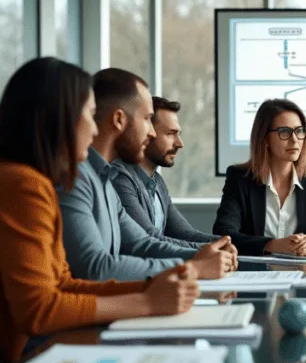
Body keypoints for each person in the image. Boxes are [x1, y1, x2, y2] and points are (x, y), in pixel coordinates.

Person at [0, 58, 202, 363]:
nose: (94, 130)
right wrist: (146, 302)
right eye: (88, 116)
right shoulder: (19, 185)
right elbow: (39, 311)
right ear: (59, 119)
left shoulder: (30, 181)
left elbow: (62, 284)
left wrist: (151, 289)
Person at [59, 68, 236, 281]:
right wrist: (193, 267)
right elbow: (95, 268)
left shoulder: (106, 178)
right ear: (118, 119)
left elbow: (142, 244)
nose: (151, 132)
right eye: (147, 118)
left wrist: (206, 256)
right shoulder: (75, 177)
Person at [213, 99, 306, 256]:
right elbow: (224, 234)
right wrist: (272, 245)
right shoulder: (240, 178)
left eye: (299, 131)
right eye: (284, 132)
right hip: (254, 273)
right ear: (265, 138)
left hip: (301, 273)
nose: (295, 139)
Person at [111, 96, 220, 248]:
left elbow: (187, 234)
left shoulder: (157, 182)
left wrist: (233, 244)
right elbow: (150, 240)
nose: (179, 144)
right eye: (170, 134)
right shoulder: (120, 179)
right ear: (147, 132)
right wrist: (211, 249)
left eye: (178, 134)